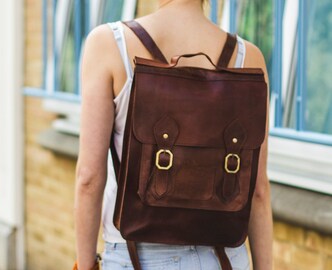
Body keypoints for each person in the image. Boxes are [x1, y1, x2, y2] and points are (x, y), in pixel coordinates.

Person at [74, 0, 273, 269]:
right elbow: (258, 190)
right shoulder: (248, 57)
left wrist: (85, 265)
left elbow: (89, 177)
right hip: (225, 258)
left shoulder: (109, 44)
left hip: (136, 257)